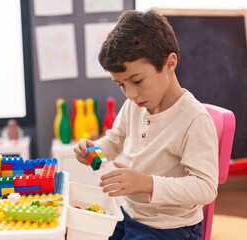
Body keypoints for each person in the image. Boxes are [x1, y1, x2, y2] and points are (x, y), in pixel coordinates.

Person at [73, 9, 218, 240]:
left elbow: (205, 189)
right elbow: (114, 141)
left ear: (169, 63)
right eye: (121, 85)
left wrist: (147, 184)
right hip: (130, 215)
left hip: (172, 228)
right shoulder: (135, 105)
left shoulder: (194, 120)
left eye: (137, 81)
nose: (130, 94)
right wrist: (93, 149)